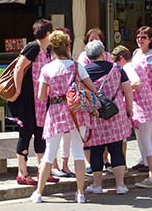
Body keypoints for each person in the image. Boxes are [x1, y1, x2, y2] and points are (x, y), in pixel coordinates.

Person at [30, 30, 96, 203]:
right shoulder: (76, 66)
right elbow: (92, 88)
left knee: (49, 153)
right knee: (78, 152)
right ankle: (80, 193)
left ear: (52, 47)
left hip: (56, 111)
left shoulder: (47, 68)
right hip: (76, 110)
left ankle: (38, 193)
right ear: (68, 46)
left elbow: (42, 96)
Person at [7, 18, 59, 185]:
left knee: (40, 134)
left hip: (41, 101)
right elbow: (19, 68)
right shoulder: (34, 47)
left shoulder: (48, 50)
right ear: (49, 32)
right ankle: (22, 173)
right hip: (28, 100)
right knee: (25, 133)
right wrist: (18, 90)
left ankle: (42, 171)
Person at [83, 40, 133, 195]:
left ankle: (97, 185)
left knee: (96, 151)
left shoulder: (83, 71)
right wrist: (129, 109)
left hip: (94, 115)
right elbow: (127, 90)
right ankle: (120, 185)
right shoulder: (116, 68)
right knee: (116, 149)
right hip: (115, 114)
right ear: (103, 53)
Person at [111, 45, 152, 188]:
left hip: (141, 108)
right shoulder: (137, 64)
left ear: (121, 59)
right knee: (146, 141)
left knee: (146, 143)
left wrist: (122, 89)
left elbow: (136, 82)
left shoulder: (128, 67)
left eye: (116, 61)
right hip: (146, 106)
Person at [77, 27, 113, 174]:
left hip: (106, 99)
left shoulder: (108, 56)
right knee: (89, 135)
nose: (94, 41)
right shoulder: (83, 57)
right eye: (91, 39)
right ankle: (89, 163)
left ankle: (105, 161)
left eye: (97, 39)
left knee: (105, 134)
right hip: (89, 100)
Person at [131, 26, 152, 173]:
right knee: (139, 129)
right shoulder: (136, 53)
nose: (140, 40)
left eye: (143, 37)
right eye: (138, 37)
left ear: (150, 39)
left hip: (149, 97)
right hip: (136, 98)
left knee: (151, 130)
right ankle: (143, 159)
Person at [51, 27, 76, 178]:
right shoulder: (50, 61)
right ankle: (54, 166)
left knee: (64, 136)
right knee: (56, 136)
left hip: (65, 103)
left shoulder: (71, 62)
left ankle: (65, 165)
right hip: (59, 103)